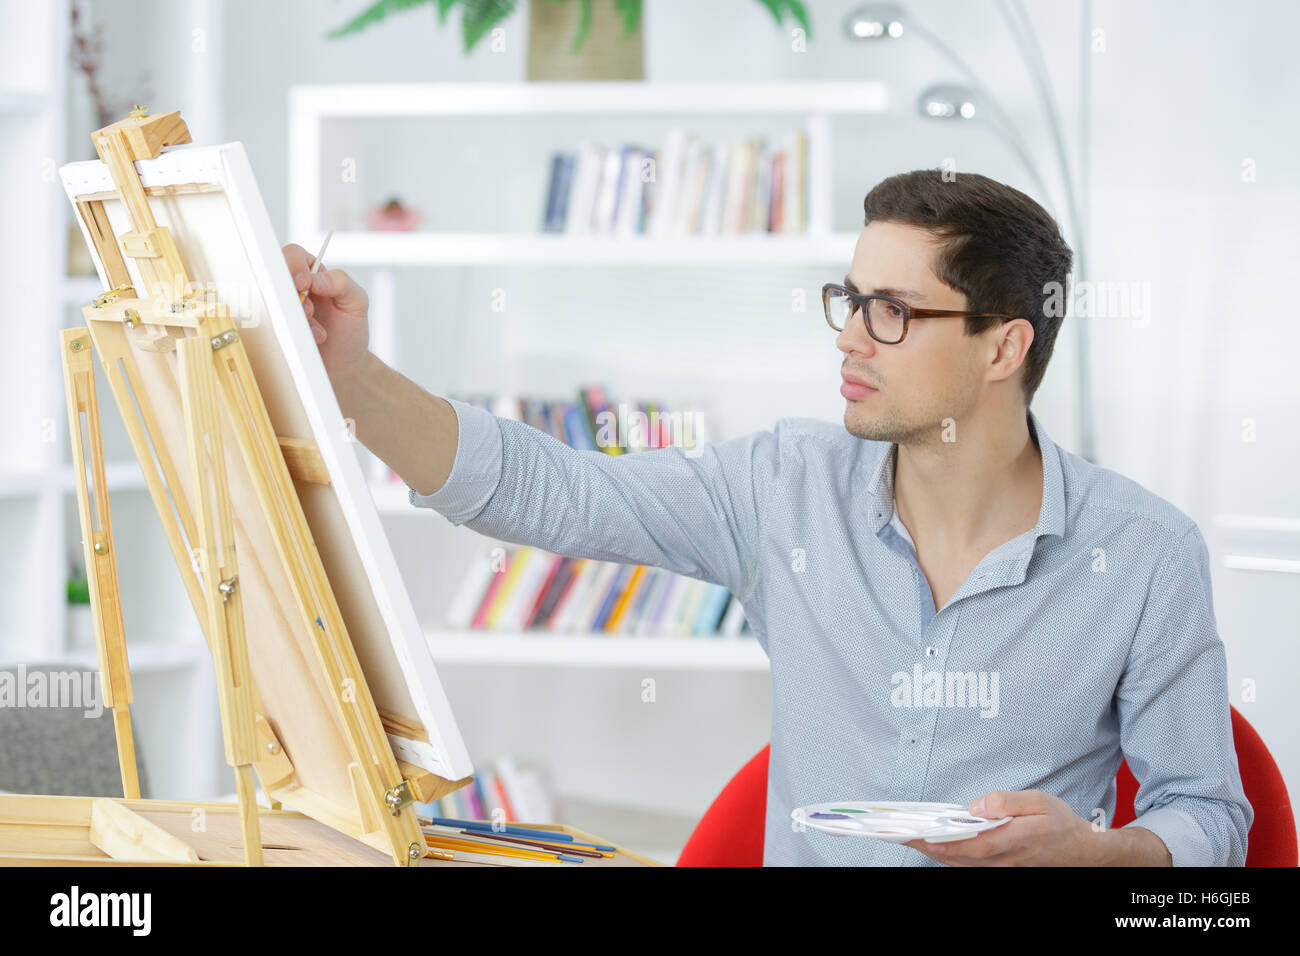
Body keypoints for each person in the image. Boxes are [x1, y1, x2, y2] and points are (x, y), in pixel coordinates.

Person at [282, 168, 1251, 866]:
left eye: (891, 311)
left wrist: (1096, 852)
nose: (848, 336)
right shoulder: (783, 485)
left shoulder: (1143, 554)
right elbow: (555, 489)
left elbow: (1209, 816)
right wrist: (351, 378)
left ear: (1003, 349)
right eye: (848, 299)